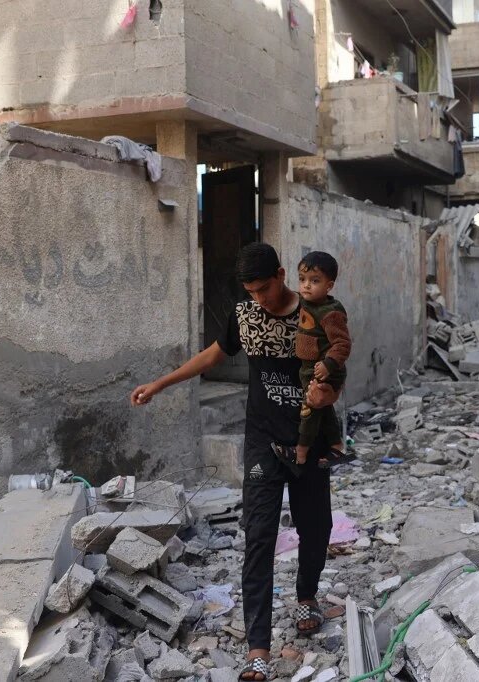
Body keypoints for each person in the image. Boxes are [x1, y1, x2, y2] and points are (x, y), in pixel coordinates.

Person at [130, 244, 331, 681]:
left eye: (264, 289)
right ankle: (258, 647)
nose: (259, 299)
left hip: (310, 439)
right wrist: (162, 383)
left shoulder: (317, 312)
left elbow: (338, 363)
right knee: (259, 538)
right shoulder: (244, 315)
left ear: (281, 274)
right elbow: (215, 354)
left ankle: (307, 596)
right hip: (263, 442)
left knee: (316, 529)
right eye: (251, 292)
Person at [277, 251, 353, 468]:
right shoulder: (307, 302)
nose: (306, 285)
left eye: (314, 281)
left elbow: (343, 344)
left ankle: (299, 453)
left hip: (324, 370)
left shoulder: (331, 313)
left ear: (329, 286)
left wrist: (329, 365)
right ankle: (337, 447)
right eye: (302, 279)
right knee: (323, 409)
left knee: (308, 411)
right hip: (309, 367)